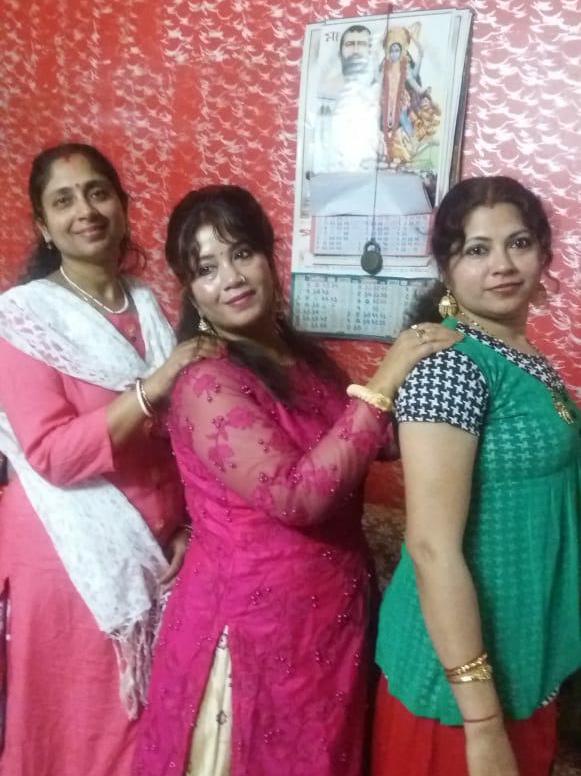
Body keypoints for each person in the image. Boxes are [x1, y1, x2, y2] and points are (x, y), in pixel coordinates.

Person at [132, 184, 461, 776]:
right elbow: (296, 495)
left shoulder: (298, 356)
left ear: (268, 256)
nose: (231, 278)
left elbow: (367, 442)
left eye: (242, 253)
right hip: (253, 628)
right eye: (206, 268)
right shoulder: (207, 382)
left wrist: (436, 368)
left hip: (331, 617)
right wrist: (383, 381)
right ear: (191, 291)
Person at [0, 143, 215, 776]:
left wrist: (189, 526)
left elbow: (178, 440)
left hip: (158, 553)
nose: (85, 211)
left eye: (97, 193)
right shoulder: (24, 318)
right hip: (71, 560)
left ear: (121, 206)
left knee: (141, 730)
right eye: (63, 201)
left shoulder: (146, 303)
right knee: (79, 738)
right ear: (44, 226)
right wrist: (152, 387)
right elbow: (51, 455)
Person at [372, 176, 580, 776]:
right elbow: (431, 548)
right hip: (461, 692)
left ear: (543, 251)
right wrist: (483, 725)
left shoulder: (523, 356)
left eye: (519, 243)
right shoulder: (450, 367)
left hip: (523, 653)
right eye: (477, 249)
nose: (503, 265)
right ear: (447, 266)